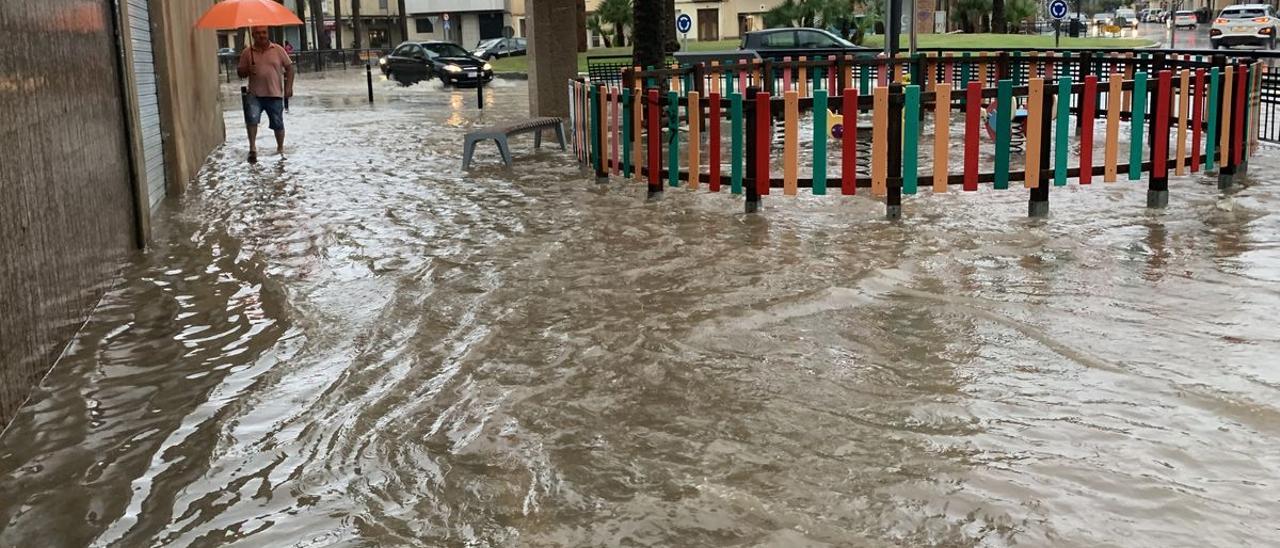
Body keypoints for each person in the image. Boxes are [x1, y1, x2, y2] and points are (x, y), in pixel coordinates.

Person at [237, 26, 294, 163]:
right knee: (252, 120)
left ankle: (280, 149)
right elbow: (240, 73)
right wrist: (248, 69)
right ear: (253, 35)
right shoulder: (247, 52)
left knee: (278, 123)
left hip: (274, 93)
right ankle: (252, 148)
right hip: (254, 94)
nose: (261, 36)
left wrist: (289, 87)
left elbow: (290, 68)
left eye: (263, 32)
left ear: (268, 34)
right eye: (257, 33)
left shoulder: (278, 50)